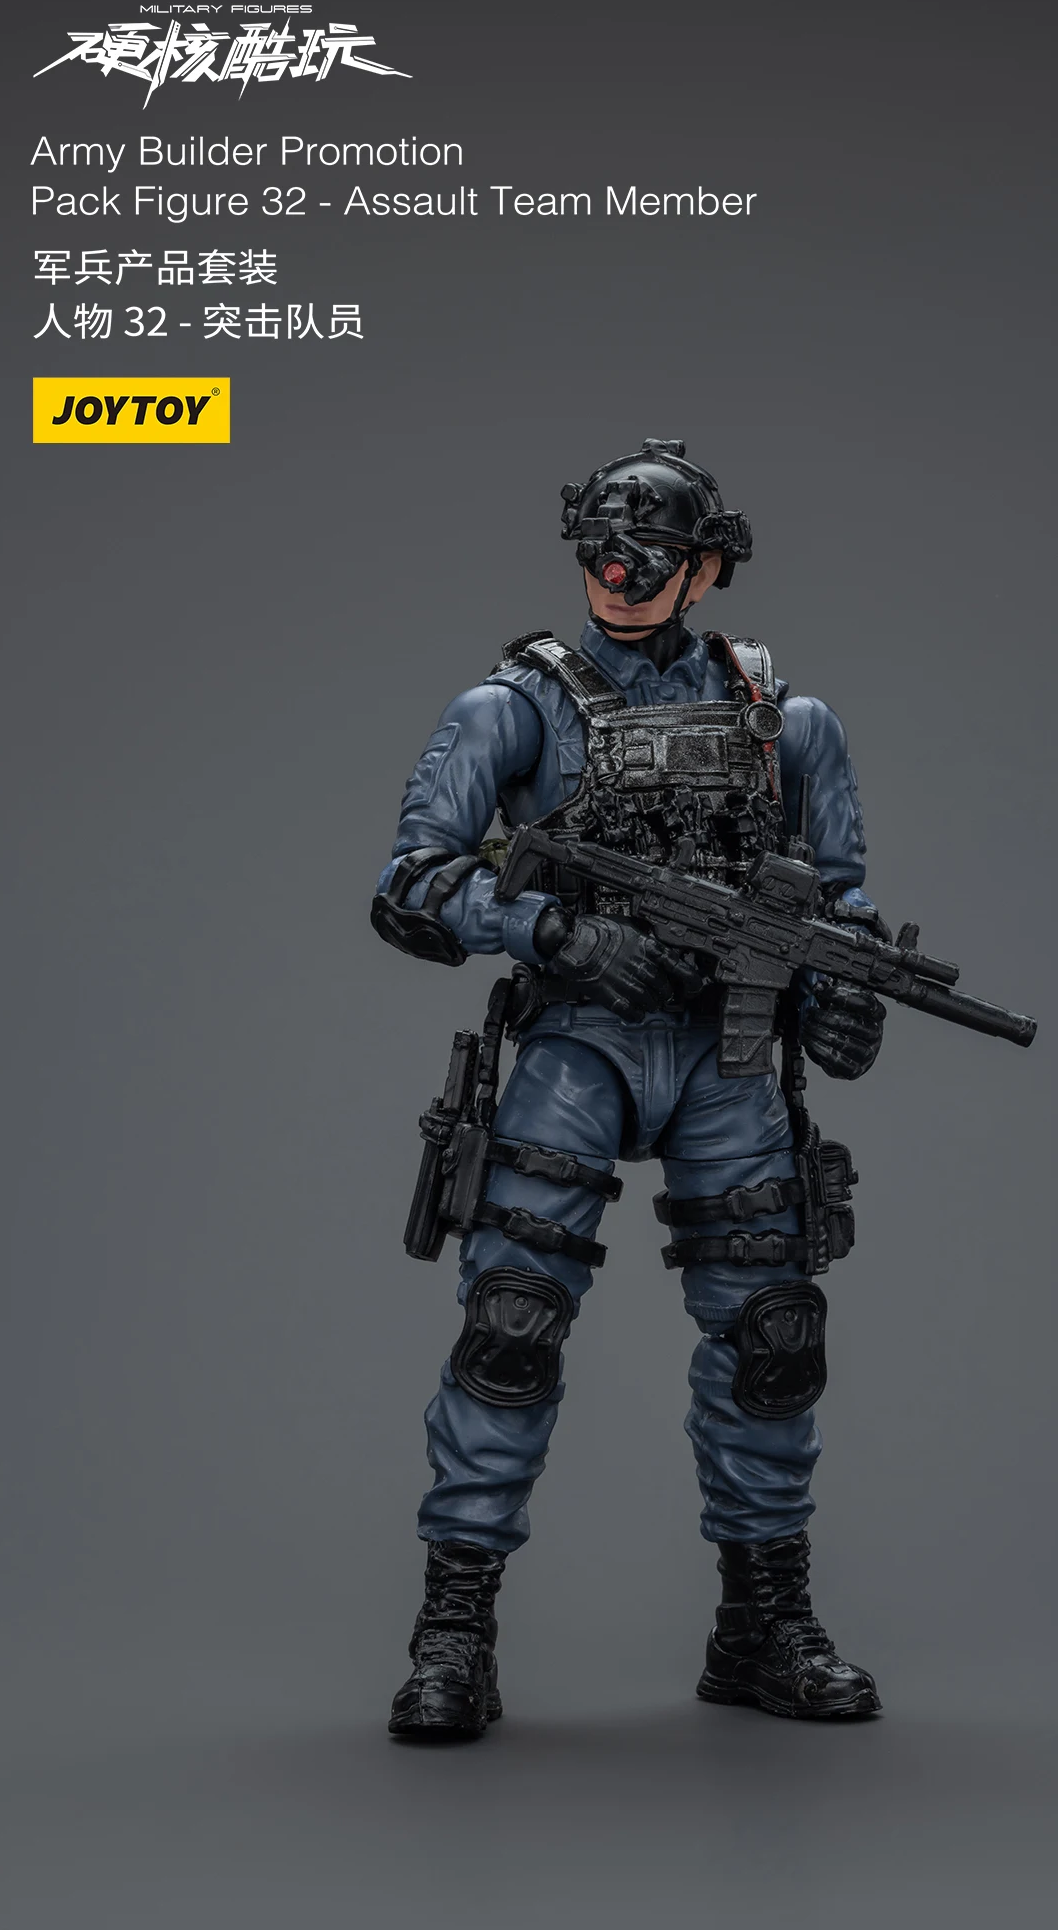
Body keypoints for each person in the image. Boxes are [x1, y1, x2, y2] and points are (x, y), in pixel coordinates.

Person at [372, 439, 889, 1738]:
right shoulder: (512, 709)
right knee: (511, 1323)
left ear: (707, 567)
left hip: (725, 1052)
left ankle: (763, 1624)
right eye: (601, 547)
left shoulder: (787, 723)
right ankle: (454, 1630)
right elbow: (413, 883)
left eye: (650, 552)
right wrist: (546, 932)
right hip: (579, 1043)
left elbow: (838, 906)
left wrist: (839, 992)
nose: (618, 572)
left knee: (774, 1333)